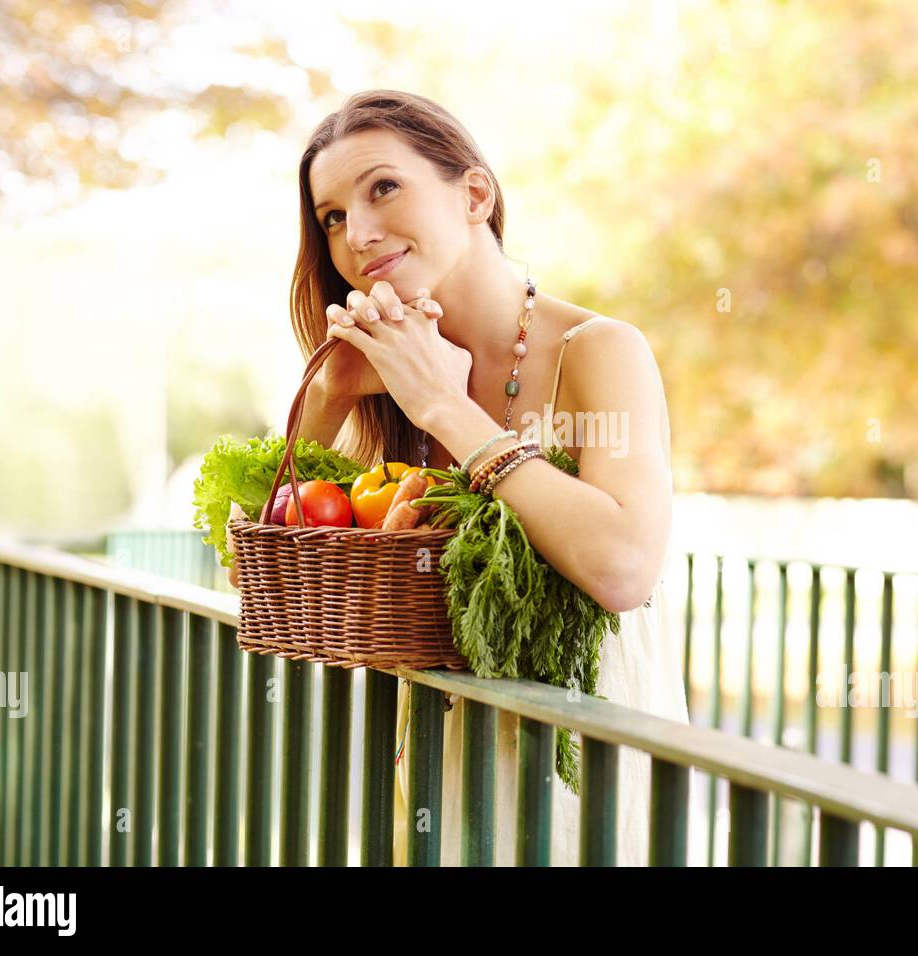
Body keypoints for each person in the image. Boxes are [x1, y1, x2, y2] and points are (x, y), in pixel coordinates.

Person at [234, 89, 690, 865]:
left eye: (383, 188)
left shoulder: (600, 349)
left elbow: (622, 567)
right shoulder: (382, 372)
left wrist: (446, 407)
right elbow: (263, 575)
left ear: (474, 193)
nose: (358, 234)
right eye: (333, 217)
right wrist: (328, 393)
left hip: (582, 754)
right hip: (436, 755)